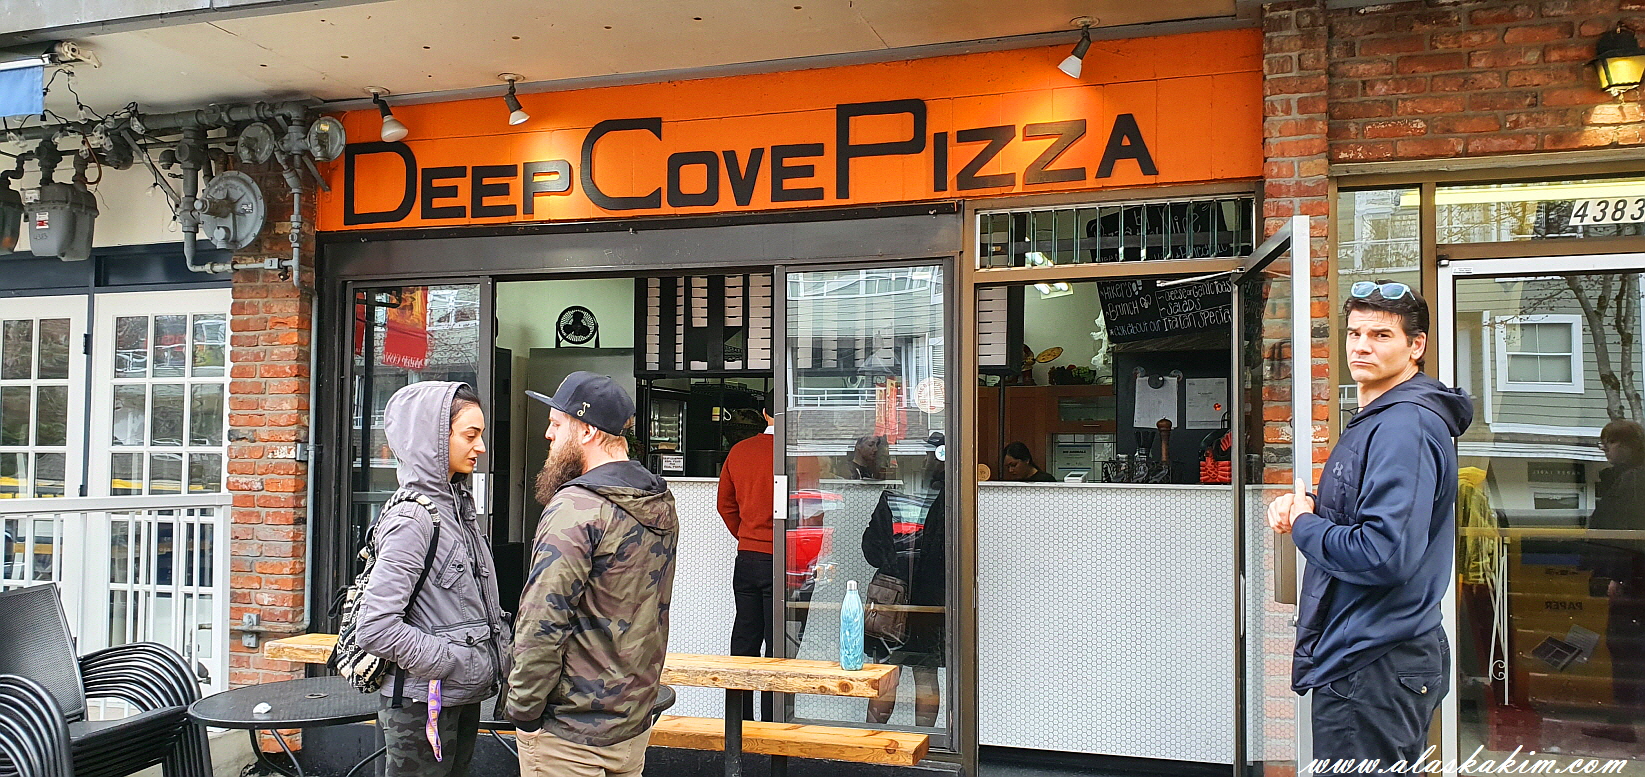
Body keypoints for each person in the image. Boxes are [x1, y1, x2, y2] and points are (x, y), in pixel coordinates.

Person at [1268, 280, 1472, 770]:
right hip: (1374, 655)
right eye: (1355, 333)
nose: (1361, 346)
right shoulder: (1383, 418)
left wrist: (1304, 525)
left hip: (1374, 662)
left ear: (1415, 346)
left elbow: (1383, 553)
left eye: (1381, 335)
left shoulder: (1404, 426)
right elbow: (1371, 520)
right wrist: (1310, 508)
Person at [508, 372, 679, 777]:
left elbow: (542, 619)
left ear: (586, 431)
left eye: (556, 424)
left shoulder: (577, 507)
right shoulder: (658, 499)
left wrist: (524, 712)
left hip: (569, 732)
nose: (548, 435)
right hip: (632, 721)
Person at [355, 382, 511, 777]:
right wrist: (450, 662)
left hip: (456, 694)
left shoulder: (458, 511)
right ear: (435, 440)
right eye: (470, 435)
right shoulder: (413, 519)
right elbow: (375, 627)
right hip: (421, 702)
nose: (480, 447)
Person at [862, 431, 947, 728]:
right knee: (926, 674)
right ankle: (925, 742)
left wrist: (894, 564)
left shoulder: (892, 497)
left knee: (886, 674)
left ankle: (875, 739)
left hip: (890, 598)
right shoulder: (951, 499)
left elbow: (871, 550)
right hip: (930, 599)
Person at [1584, 419, 1645, 743]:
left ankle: (1623, 722)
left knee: (1626, 649)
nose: (1606, 448)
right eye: (1603, 442)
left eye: (1612, 441)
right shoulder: (1627, 478)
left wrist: (1620, 577)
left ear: (1631, 445)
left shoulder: (1633, 480)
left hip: (1633, 581)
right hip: (1633, 577)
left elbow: (1628, 534)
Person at [717, 393, 777, 722]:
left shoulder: (740, 451)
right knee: (780, 647)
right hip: (786, 562)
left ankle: (739, 724)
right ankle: (773, 723)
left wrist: (746, 535)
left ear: (764, 413)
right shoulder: (799, 454)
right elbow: (812, 509)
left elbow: (725, 504)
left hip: (749, 557)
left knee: (744, 640)